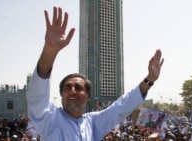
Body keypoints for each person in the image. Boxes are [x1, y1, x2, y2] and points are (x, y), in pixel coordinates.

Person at [26, 6, 164, 141]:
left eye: (78, 88)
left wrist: (149, 79)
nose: (72, 91)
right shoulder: (51, 120)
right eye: (67, 88)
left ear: (88, 96)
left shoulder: (92, 123)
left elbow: (121, 106)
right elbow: (37, 96)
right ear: (61, 94)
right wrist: (50, 50)